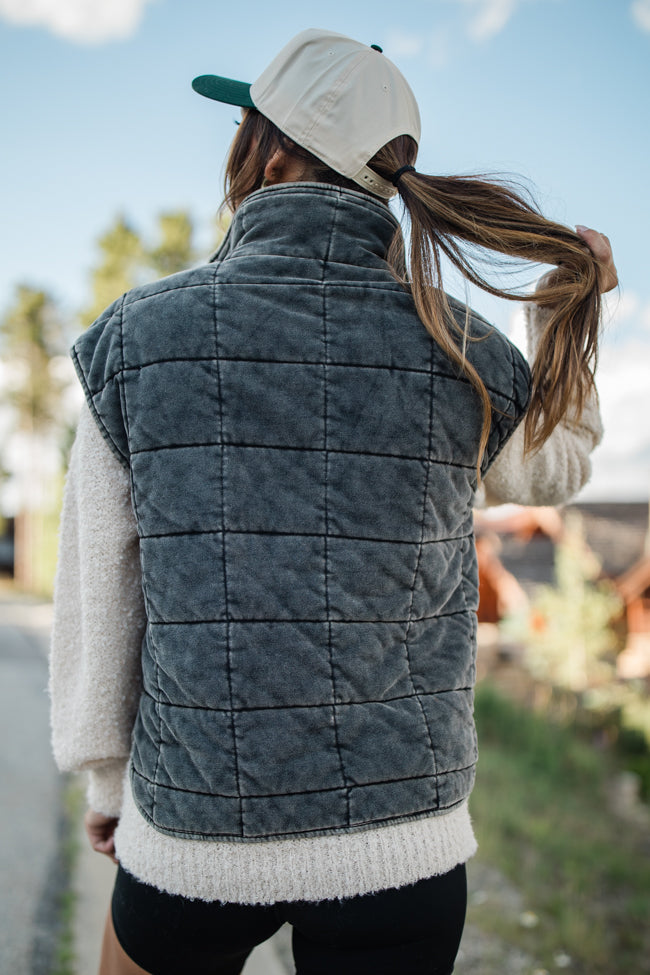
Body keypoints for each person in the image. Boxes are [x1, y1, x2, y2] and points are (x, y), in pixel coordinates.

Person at [49, 28, 617, 975]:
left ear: (267, 148)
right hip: (406, 849)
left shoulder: (138, 339)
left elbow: (100, 595)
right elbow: (555, 471)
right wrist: (564, 314)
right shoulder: (466, 350)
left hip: (194, 836)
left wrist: (109, 784)